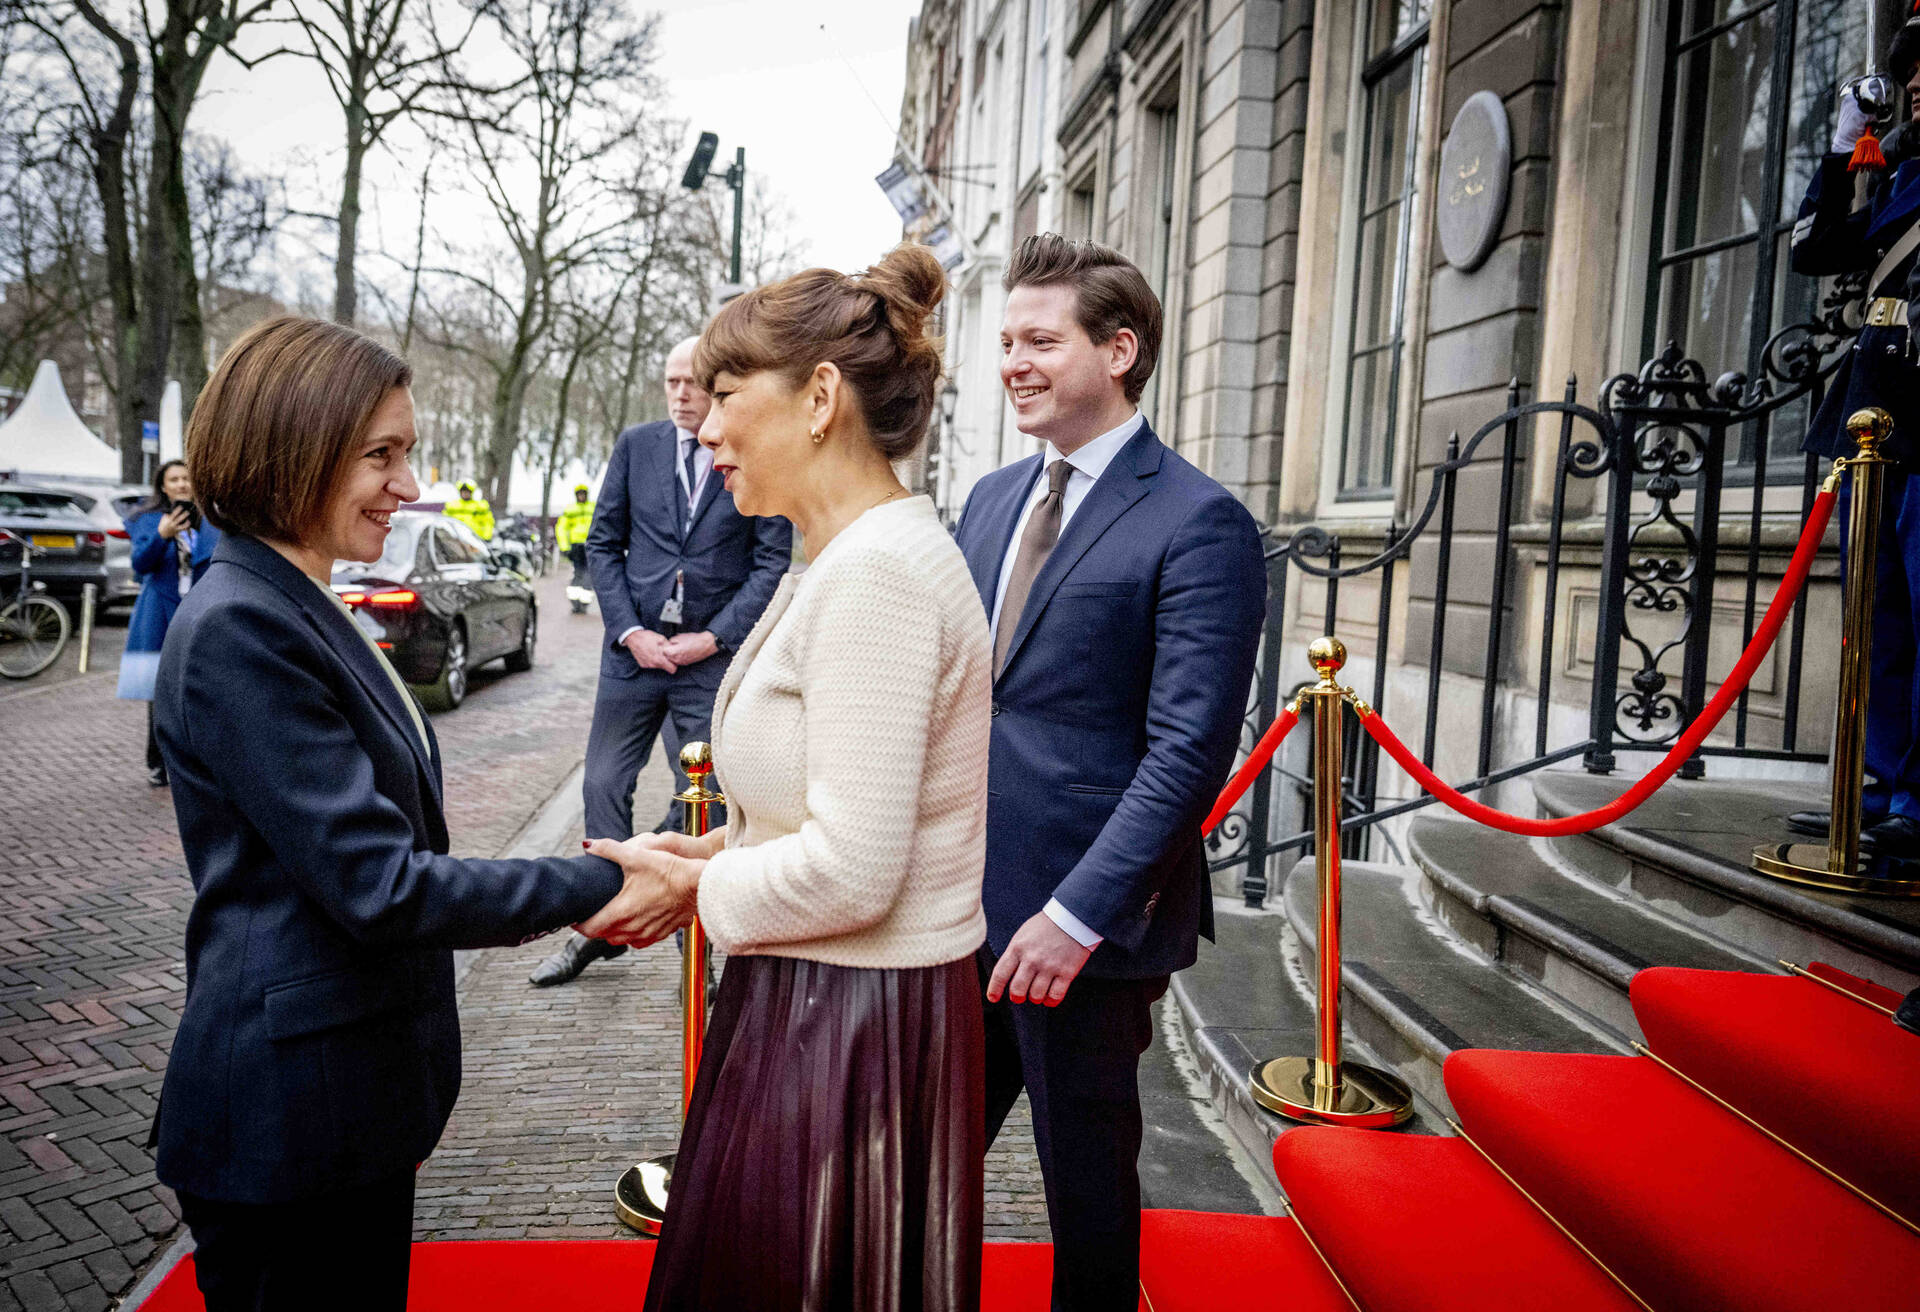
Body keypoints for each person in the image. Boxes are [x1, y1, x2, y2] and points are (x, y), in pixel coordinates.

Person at [148, 315, 665, 1310]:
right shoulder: (242, 626)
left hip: (346, 1105)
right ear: (292, 446)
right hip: (289, 1122)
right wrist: (607, 878)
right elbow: (379, 884)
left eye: (407, 451)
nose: (410, 484)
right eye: (380, 454)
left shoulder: (300, 598)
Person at [581, 242, 991, 1311]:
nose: (704, 425)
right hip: (820, 998)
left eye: (724, 395)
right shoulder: (843, 556)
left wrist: (689, 889)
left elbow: (857, 867)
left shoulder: (880, 576)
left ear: (818, 397)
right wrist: (711, 848)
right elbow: (827, 802)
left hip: (848, 1025)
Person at [951, 234, 1265, 1311]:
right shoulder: (989, 501)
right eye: (1006, 342)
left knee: (1084, 1183)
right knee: (925, 1161)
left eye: (1040, 340)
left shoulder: (1201, 522)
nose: (1013, 363)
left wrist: (1077, 915)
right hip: (960, 909)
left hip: (1085, 937)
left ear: (1119, 349)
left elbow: (1188, 752)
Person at [529, 336, 791, 988]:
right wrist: (628, 630)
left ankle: (690, 946)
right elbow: (603, 543)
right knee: (601, 786)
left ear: (716, 385)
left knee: (703, 801)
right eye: (670, 381)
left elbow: (769, 561)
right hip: (634, 656)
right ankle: (604, 923)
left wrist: (715, 637)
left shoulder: (749, 449)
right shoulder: (636, 446)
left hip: (705, 661)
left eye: (691, 383)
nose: (678, 394)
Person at [1786, 12, 1920, 862]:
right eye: (1910, 67)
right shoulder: (1902, 170)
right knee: (1880, 615)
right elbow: (1814, 249)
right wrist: (1847, 144)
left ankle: (1917, 794)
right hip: (1874, 417)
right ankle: (1878, 783)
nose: (1914, 80)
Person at [116, 459, 220, 787]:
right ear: (163, 486)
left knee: (198, 689)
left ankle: (198, 761)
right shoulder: (148, 521)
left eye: (186, 479)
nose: (181, 485)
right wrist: (162, 536)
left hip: (199, 612)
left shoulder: (211, 522)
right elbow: (140, 566)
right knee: (160, 692)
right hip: (159, 611)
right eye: (173, 479)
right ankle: (159, 762)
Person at [557, 481, 596, 613]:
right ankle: (575, 603)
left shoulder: (593, 508)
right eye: (578, 494)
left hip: (591, 545)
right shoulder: (570, 509)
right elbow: (561, 528)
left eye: (583, 494)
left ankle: (584, 603)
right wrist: (564, 547)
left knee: (588, 573)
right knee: (579, 572)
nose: (581, 496)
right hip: (577, 546)